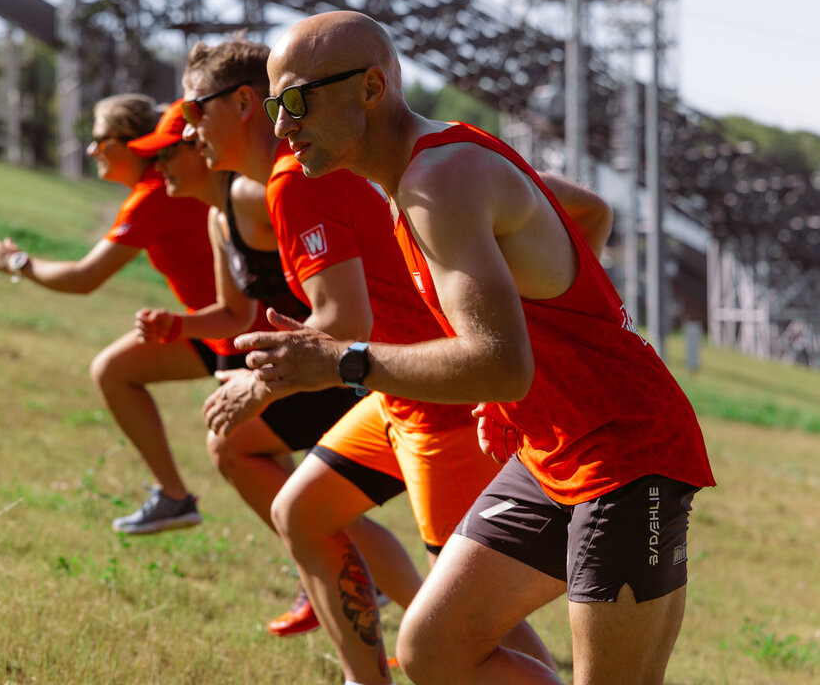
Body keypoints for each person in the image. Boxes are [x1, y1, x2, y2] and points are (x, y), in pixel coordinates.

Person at [239, 10, 717, 685]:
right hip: (551, 449)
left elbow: (500, 362)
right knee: (432, 650)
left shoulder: (442, 180)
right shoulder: (422, 175)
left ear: (371, 88)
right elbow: (585, 216)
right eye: (272, 104)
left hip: (626, 453)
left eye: (297, 100)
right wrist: (535, 372)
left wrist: (341, 362)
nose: (282, 126)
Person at [180, 38, 554, 684]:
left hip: (445, 412)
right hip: (396, 399)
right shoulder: (318, 168)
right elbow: (583, 210)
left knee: (476, 625)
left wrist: (260, 383)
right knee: (302, 512)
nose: (187, 129)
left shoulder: (297, 182)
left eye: (193, 111)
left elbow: (342, 322)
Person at [131, 100, 420, 637]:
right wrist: (177, 324)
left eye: (169, 152)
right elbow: (235, 312)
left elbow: (339, 307)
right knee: (299, 494)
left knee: (268, 472)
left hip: (339, 360)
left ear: (200, 146)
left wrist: (262, 374)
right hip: (313, 358)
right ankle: (342, 571)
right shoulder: (222, 215)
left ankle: (350, 573)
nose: (160, 169)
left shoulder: (263, 192)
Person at [0, 93, 237, 534]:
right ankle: (175, 498)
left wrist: (18, 263)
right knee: (115, 370)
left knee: (250, 459)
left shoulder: (157, 193)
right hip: (212, 324)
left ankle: (337, 562)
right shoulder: (160, 187)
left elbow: (84, 277)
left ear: (131, 142)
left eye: (101, 140)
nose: (91, 151)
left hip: (235, 327)